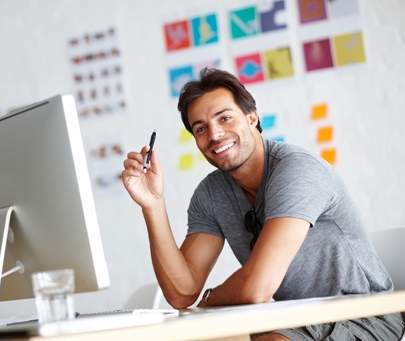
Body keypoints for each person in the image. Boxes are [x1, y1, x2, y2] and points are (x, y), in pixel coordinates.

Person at [121, 68, 405, 341]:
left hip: (364, 316)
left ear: (252, 117)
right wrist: (153, 205)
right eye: (201, 128)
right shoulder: (211, 193)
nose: (215, 135)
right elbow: (182, 292)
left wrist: (210, 299)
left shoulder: (297, 171)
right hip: (289, 318)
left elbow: (257, 288)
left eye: (225, 118)